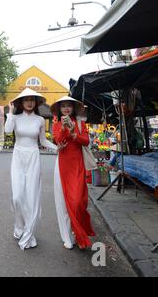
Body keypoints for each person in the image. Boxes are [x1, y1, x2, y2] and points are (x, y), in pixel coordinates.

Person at [5, 88, 58, 250]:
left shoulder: (40, 120)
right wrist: (10, 112)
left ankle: (29, 232)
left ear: (36, 103)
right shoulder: (15, 117)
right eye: (26, 99)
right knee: (17, 197)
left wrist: (58, 148)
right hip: (18, 157)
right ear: (21, 102)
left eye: (32, 100)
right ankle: (19, 225)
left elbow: (43, 141)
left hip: (34, 157)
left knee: (32, 197)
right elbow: (7, 131)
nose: (29, 102)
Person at [51, 96, 95, 250]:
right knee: (63, 202)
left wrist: (74, 134)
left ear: (73, 108)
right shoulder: (56, 124)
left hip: (77, 164)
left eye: (69, 106)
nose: (66, 108)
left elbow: (86, 141)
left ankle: (79, 231)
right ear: (59, 109)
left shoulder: (81, 124)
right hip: (63, 165)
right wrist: (64, 129)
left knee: (78, 202)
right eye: (63, 106)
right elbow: (57, 140)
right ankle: (67, 236)